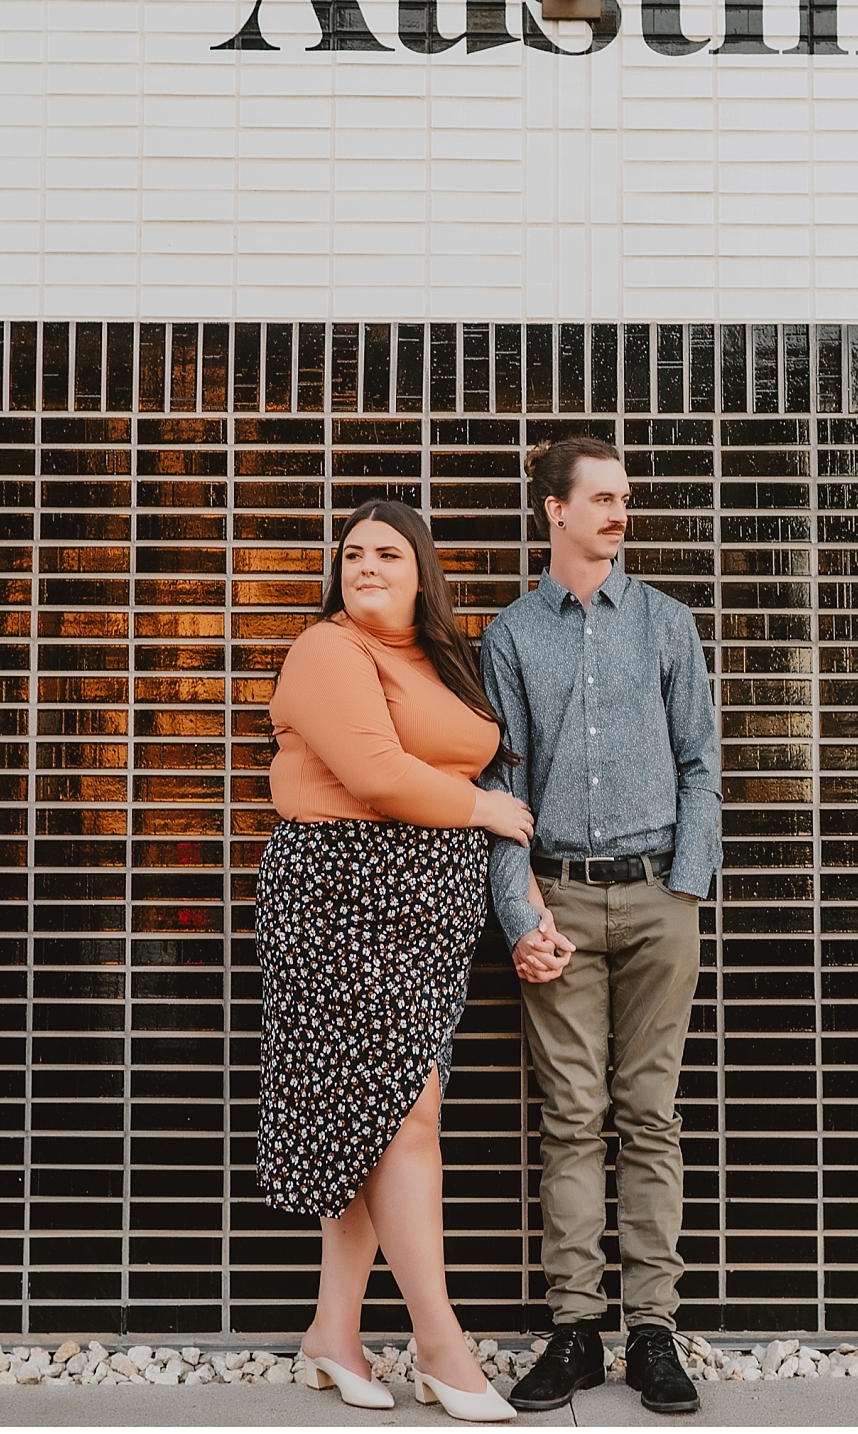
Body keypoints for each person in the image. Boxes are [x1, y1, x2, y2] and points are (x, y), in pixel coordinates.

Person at [258, 498, 535, 1424]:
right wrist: (484, 810)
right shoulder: (328, 649)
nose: (365, 565)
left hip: (426, 911)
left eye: (386, 553)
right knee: (406, 1113)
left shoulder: (443, 659)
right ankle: (440, 1343)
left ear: (422, 572)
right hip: (343, 897)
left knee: (374, 1118)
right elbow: (376, 773)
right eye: (351, 553)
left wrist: (509, 873)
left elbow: (474, 758)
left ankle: (332, 1333)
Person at [477, 438, 719, 1417]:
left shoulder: (666, 621)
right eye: (602, 498)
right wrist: (517, 909)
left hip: (660, 896)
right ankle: (574, 1328)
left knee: (649, 1115)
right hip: (560, 904)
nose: (619, 512)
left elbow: (702, 761)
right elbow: (499, 786)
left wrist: (686, 889)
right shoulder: (509, 635)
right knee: (571, 1118)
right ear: (554, 510)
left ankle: (652, 1328)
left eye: (624, 497)